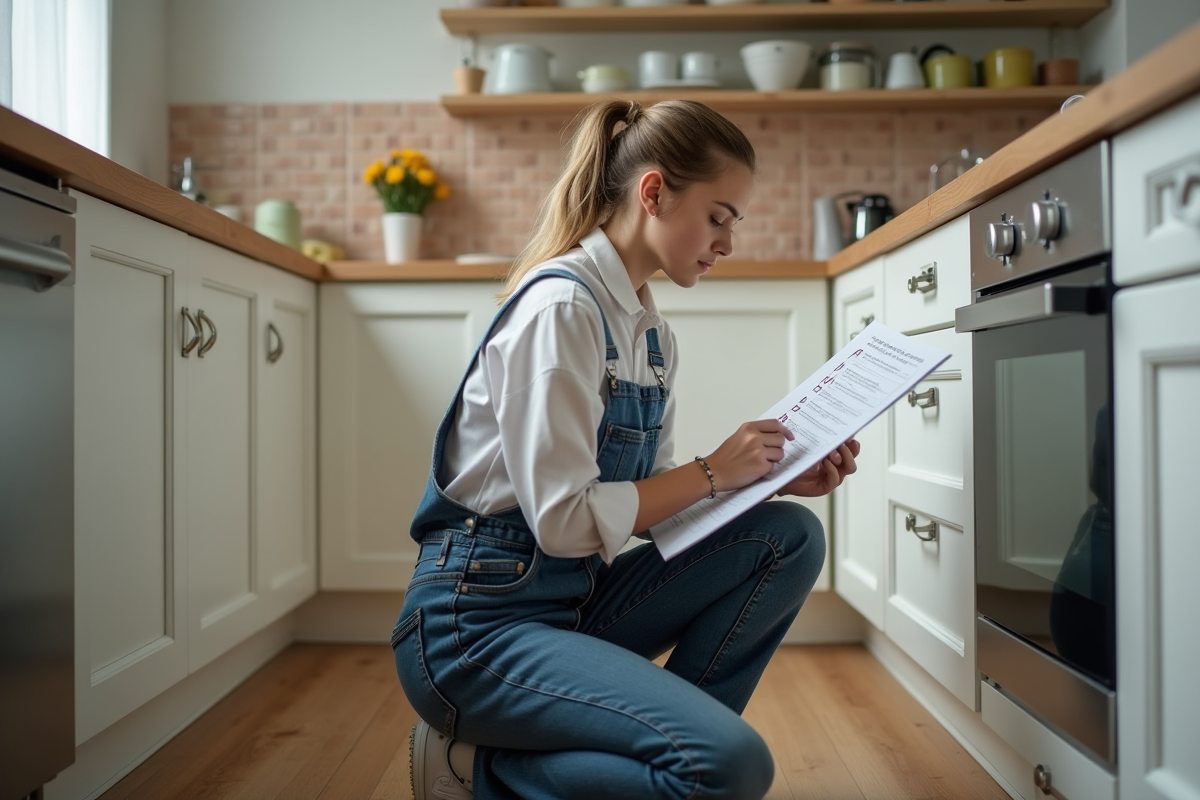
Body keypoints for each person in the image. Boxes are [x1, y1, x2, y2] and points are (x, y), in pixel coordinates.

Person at [393, 99, 860, 800]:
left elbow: (651, 511)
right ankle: (475, 769)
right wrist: (712, 471)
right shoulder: (562, 311)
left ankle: (670, 751)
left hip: (572, 606)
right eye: (719, 217)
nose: (727, 243)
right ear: (654, 192)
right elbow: (563, 522)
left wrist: (768, 479)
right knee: (731, 766)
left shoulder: (650, 334)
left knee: (786, 535)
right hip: (474, 631)